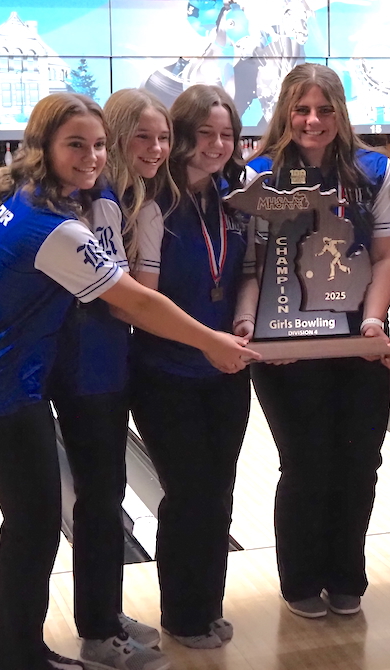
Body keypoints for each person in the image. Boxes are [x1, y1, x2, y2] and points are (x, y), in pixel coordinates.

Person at [0, 92, 257, 670]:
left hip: (14, 381)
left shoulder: (40, 197)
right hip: (4, 387)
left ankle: (51, 640)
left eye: (97, 146)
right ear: (43, 147)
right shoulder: (57, 224)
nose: (92, 157)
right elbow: (132, 300)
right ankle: (24, 653)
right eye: (78, 145)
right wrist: (212, 341)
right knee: (38, 525)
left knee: (50, 519)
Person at [245, 63, 390, 618]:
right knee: (306, 461)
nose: (314, 120)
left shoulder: (374, 172)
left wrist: (375, 321)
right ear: (286, 112)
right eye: (303, 109)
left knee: (361, 460)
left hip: (357, 341)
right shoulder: (259, 175)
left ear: (341, 113)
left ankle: (347, 577)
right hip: (289, 347)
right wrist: (265, 330)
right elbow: (256, 266)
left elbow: (386, 257)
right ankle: (302, 581)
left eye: (325, 109)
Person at [41, 88, 171, 669]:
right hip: (82, 369)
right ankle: (96, 630)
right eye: (139, 136)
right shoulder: (98, 200)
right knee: (95, 500)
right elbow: (124, 301)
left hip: (101, 366)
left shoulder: (111, 196)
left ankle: (105, 614)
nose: (155, 148)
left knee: (103, 496)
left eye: (162, 137)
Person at [123, 85, 255, 649]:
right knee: (189, 491)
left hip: (227, 371)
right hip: (166, 374)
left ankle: (208, 605)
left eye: (227, 135)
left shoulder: (237, 195)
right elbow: (144, 302)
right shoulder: (156, 205)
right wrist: (207, 341)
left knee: (219, 489)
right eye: (205, 134)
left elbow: (249, 271)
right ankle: (182, 612)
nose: (218, 145)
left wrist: (243, 320)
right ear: (180, 138)